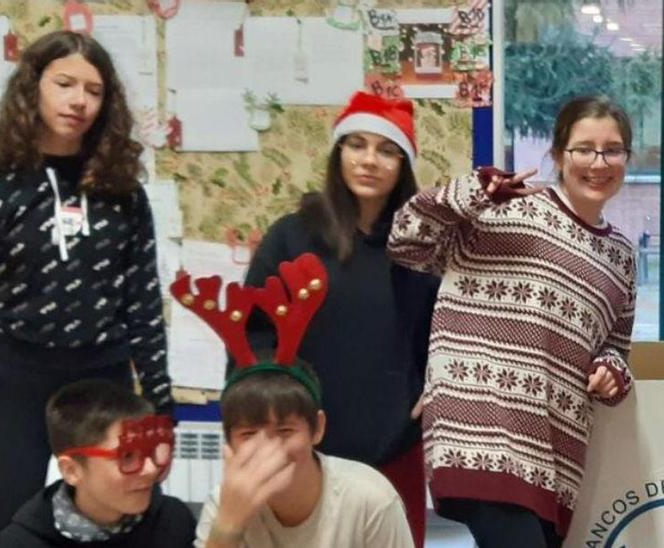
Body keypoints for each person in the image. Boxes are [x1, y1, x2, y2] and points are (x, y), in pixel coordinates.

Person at [0, 30, 172, 546]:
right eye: (64, 83)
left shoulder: (124, 197)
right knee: (5, 532)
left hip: (104, 380)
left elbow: (144, 313)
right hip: (15, 381)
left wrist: (161, 416)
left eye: (93, 90)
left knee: (124, 523)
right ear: (33, 89)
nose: (78, 101)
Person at [387, 95, 638, 547]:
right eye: (584, 148)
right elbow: (406, 240)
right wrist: (474, 193)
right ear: (559, 155)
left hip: (554, 452)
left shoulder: (621, 257)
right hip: (480, 432)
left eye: (613, 149)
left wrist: (612, 372)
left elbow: (617, 348)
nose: (598, 162)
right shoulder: (505, 211)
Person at [242, 91, 438, 546]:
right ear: (338, 152)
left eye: (387, 150)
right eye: (357, 145)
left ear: (403, 165)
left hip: (393, 443)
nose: (369, 161)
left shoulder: (420, 246)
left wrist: (441, 383)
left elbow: (447, 329)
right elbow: (255, 332)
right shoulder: (293, 236)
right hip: (304, 447)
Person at [173, 255, 415, 548]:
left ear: (317, 428)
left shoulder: (369, 499)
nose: (268, 449)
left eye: (285, 431)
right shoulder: (225, 504)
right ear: (229, 445)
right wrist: (229, 524)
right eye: (248, 434)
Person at [0, 379, 194, 548]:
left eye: (153, 450)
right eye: (128, 456)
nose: (150, 469)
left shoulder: (173, 522)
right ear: (71, 470)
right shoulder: (17, 544)